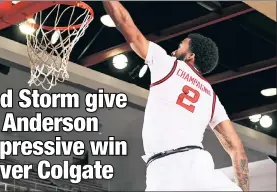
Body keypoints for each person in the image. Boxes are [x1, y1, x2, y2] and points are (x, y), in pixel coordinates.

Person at [102, 2, 250, 191]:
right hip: (200, 168)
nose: (174, 50)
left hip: (166, 170)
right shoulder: (211, 97)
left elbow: (124, 21)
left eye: (180, 46)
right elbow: (238, 149)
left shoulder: (168, 64)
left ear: (190, 56)